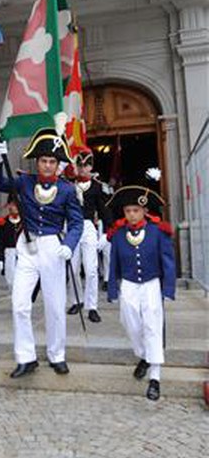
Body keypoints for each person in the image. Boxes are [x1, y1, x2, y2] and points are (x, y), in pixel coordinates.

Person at [0, 116, 83, 378]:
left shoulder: (66, 189)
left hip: (53, 246)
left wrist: (69, 245)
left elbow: (75, 223)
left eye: (52, 161)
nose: (47, 165)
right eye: (43, 160)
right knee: (19, 303)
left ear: (58, 164)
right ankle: (26, 357)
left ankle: (57, 354)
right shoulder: (24, 182)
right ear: (37, 161)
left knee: (54, 305)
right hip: (26, 247)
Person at [106, 168, 176, 400]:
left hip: (151, 283)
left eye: (136, 210)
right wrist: (112, 289)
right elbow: (113, 262)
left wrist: (168, 288)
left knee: (152, 324)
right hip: (128, 283)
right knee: (130, 320)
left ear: (144, 211)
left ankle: (155, 376)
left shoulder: (158, 232)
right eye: (128, 211)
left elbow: (167, 260)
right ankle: (144, 355)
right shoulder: (118, 234)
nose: (132, 215)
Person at [67, 147, 111, 323]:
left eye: (86, 165)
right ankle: (76, 300)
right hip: (71, 227)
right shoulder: (69, 185)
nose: (83, 168)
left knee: (91, 269)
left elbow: (104, 211)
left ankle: (92, 306)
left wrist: (107, 233)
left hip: (88, 227)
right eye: (80, 165)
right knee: (73, 268)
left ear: (91, 167)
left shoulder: (97, 187)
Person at [0, 193, 21, 288]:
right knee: (11, 282)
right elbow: (0, 243)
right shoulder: (4, 223)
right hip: (9, 254)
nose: (16, 207)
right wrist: (0, 259)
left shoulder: (25, 222)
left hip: (23, 254)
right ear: (9, 205)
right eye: (13, 204)